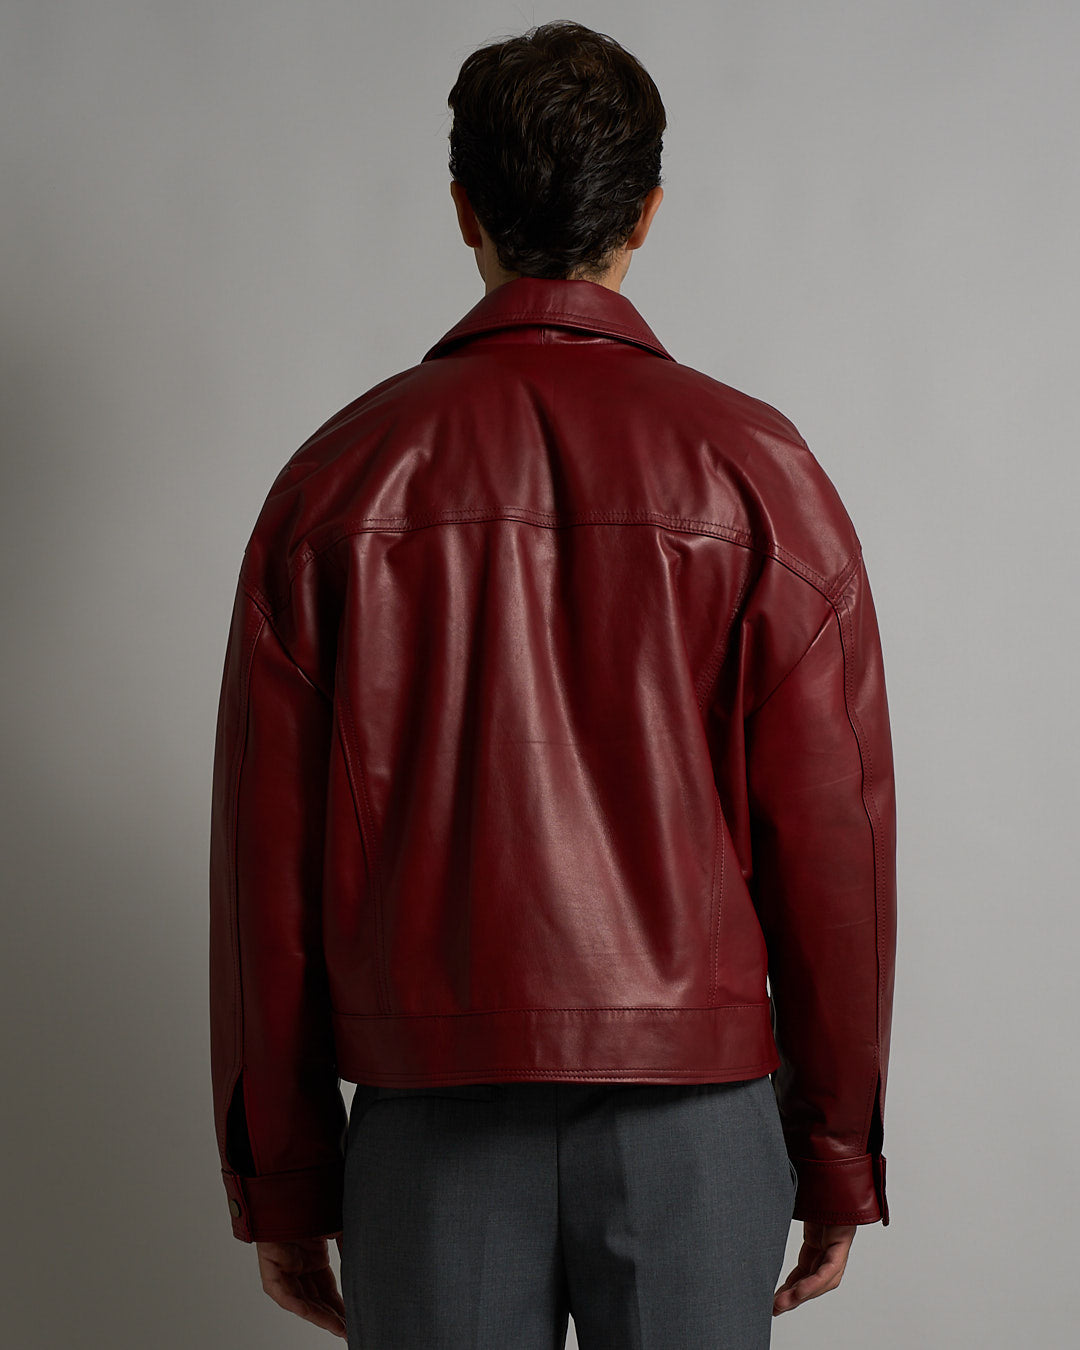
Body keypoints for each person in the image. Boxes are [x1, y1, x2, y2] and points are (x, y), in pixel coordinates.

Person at [208, 18, 896, 1348]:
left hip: (429, 1123)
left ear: (464, 207)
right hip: (697, 1121)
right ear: (647, 212)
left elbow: (266, 874)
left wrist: (282, 1178)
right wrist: (836, 1152)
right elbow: (837, 847)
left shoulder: (336, 482)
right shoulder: (761, 472)